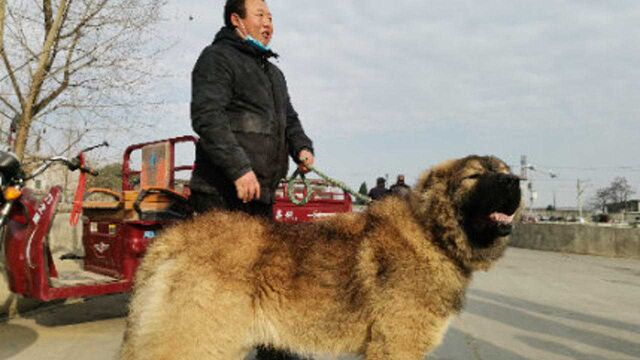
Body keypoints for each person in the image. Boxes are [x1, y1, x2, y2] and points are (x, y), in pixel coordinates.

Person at [188, 1, 314, 359]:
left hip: (261, 195)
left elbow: (288, 120)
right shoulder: (217, 58)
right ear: (237, 20)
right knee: (219, 287)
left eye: (271, 17)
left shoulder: (274, 74)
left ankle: (274, 351)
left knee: (263, 282)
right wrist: (238, 168)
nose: (268, 23)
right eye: (260, 15)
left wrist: (302, 148)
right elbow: (207, 117)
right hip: (221, 193)